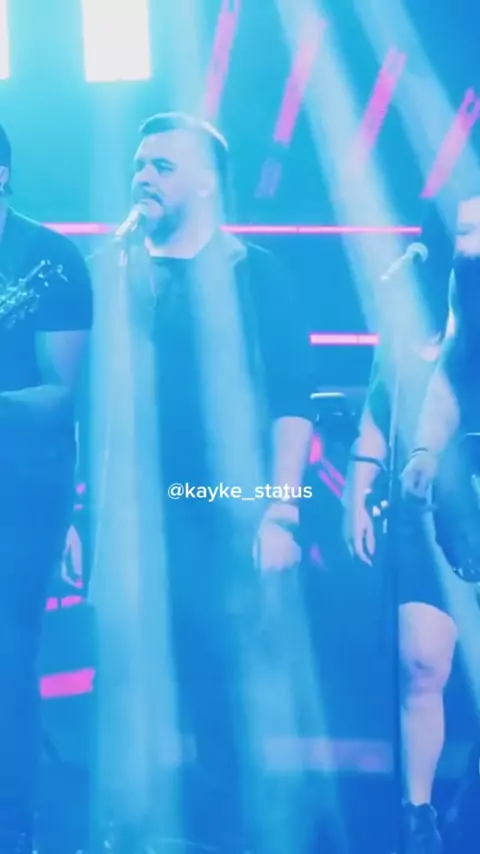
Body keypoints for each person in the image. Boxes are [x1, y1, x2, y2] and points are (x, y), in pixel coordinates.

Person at [122, 112, 314, 852]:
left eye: (162, 166)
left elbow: (293, 401)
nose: (143, 177)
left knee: (218, 688)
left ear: (206, 182)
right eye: (140, 164)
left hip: (221, 508)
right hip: (133, 513)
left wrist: (282, 512)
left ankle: (229, 832)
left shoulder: (252, 273)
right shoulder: (118, 272)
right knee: (132, 678)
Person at [343, 226, 454, 854]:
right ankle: (418, 814)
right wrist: (357, 493)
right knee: (420, 662)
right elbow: (374, 417)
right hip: (423, 516)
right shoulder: (403, 337)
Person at [0, 125, 93, 852]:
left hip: (20, 493)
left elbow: (60, 394)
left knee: (6, 654)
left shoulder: (50, 260)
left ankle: (14, 824)